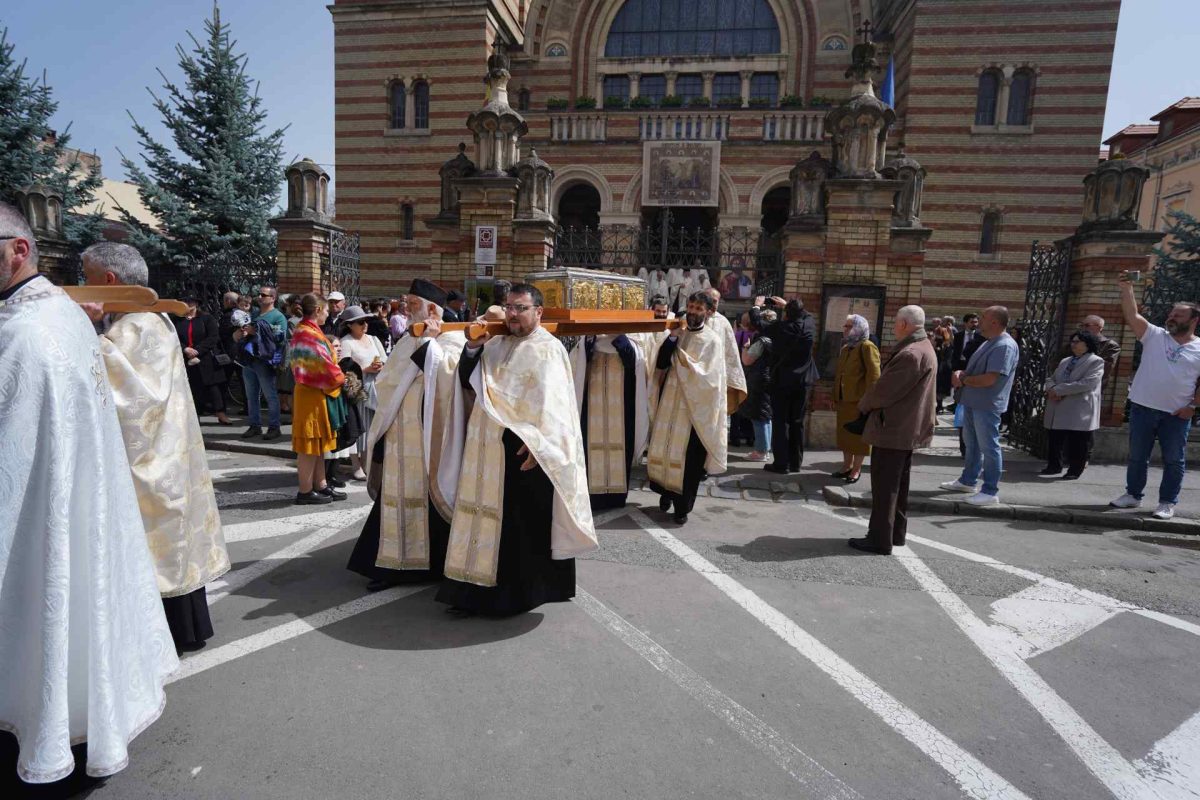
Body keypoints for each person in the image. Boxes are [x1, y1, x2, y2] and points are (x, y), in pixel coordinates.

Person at [0, 205, 179, 786]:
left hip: (126, 467)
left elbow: (143, 392)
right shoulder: (67, 319)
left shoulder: (35, 331)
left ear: (18, 250)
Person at [80, 242, 231, 651]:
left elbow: (120, 393)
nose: (82, 286)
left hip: (149, 460)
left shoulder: (133, 329)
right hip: (165, 455)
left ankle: (162, 638)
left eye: (87, 277)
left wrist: (87, 331)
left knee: (155, 550)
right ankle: (184, 631)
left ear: (109, 281)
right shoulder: (155, 319)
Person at [436, 283, 597, 616]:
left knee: (518, 527)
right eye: (509, 306)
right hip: (485, 445)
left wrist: (537, 442)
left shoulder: (548, 349)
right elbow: (469, 381)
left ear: (538, 312)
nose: (512, 313)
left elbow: (557, 408)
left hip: (524, 450)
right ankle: (470, 591)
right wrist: (472, 350)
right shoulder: (494, 343)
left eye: (520, 308)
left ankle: (512, 597)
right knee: (480, 520)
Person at [349, 279, 468, 589]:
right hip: (400, 434)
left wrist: (429, 344)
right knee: (397, 499)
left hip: (432, 438)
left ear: (432, 310)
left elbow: (451, 383)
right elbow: (387, 385)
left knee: (433, 497)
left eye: (412, 305)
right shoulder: (405, 340)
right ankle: (393, 565)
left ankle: (438, 566)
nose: (405, 309)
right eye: (405, 303)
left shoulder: (454, 341)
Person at [1109, 274, 1200, 520]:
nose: (1171, 317)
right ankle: (1132, 495)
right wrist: (1126, 288)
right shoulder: (1155, 336)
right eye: (1171, 313)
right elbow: (1133, 316)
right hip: (1143, 408)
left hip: (1176, 415)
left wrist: (1193, 406)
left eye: (1178, 315)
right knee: (1138, 456)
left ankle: (1167, 502)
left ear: (1194, 320)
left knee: (1173, 460)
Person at [849, 305, 937, 555]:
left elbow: (883, 392)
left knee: (885, 487)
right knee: (898, 486)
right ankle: (895, 533)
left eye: (896, 322)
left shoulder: (910, 353)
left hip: (894, 428)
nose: (893, 326)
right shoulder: (924, 347)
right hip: (905, 428)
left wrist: (864, 405)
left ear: (904, 324)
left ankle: (879, 539)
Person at [647, 291, 729, 525]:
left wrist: (682, 364)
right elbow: (661, 364)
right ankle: (665, 493)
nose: (692, 312)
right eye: (690, 307)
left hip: (694, 411)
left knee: (688, 461)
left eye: (698, 308)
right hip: (670, 403)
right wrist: (672, 339)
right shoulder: (677, 335)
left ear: (708, 312)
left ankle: (682, 507)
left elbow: (710, 380)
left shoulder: (712, 340)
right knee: (665, 450)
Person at [939, 306, 1020, 506]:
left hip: (987, 404)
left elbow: (990, 379)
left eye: (983, 317)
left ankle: (990, 491)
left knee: (989, 447)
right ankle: (968, 481)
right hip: (972, 401)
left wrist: (964, 379)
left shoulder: (1004, 346)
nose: (979, 321)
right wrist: (960, 374)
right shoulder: (989, 342)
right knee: (972, 443)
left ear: (994, 322)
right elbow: (973, 371)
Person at [573, 331, 649, 510]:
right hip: (593, 406)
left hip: (622, 408)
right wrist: (592, 338)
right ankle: (592, 497)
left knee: (621, 450)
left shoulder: (633, 339)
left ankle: (616, 498)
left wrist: (618, 337)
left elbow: (633, 365)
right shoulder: (587, 339)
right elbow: (578, 365)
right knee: (590, 449)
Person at [289, 293, 348, 505]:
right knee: (309, 444)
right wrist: (342, 378)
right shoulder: (308, 333)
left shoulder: (309, 331)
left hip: (315, 393)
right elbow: (322, 366)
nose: (327, 314)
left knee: (319, 442)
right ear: (317, 311)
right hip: (310, 393)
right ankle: (305, 491)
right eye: (325, 310)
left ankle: (320, 485)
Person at [763, 297, 816, 474]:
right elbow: (806, 315)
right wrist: (788, 306)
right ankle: (796, 463)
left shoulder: (780, 328)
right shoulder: (809, 325)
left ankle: (781, 463)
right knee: (797, 422)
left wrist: (757, 306)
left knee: (780, 422)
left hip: (783, 381)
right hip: (804, 381)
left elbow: (759, 324)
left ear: (786, 314)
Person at [1041, 331, 1104, 480]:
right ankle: (1054, 465)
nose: (1073, 344)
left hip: (1078, 407)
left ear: (1087, 344)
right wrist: (1050, 388)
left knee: (1079, 441)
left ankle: (1075, 470)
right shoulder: (1066, 361)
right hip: (1058, 404)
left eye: (1077, 341)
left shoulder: (1096, 361)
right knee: (1056, 438)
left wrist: (1058, 390)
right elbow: (1052, 378)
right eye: (1072, 341)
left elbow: (1088, 383)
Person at [339, 304, 388, 480]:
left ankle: (367, 462)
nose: (364, 324)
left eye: (365, 321)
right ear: (350, 325)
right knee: (359, 426)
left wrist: (380, 365)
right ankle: (356, 464)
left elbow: (384, 359)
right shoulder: (346, 342)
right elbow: (344, 368)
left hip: (376, 386)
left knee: (372, 426)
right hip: (357, 388)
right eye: (360, 322)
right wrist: (366, 369)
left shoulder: (373, 339)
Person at [833, 314, 881, 484]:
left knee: (859, 438)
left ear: (858, 328)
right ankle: (846, 465)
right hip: (844, 400)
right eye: (845, 326)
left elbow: (874, 376)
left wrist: (869, 401)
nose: (844, 329)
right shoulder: (846, 348)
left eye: (848, 326)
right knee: (845, 436)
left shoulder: (867, 347)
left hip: (859, 402)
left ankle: (856, 469)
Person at [175, 296, 232, 425]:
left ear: (196, 303)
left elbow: (213, 337)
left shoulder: (207, 318)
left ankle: (220, 413)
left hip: (206, 357)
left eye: (191, 301)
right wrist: (185, 349)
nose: (188, 304)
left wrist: (197, 350)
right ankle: (194, 416)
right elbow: (173, 337)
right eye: (185, 301)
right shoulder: (177, 320)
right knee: (192, 387)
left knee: (214, 387)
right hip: (185, 357)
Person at [241, 285, 286, 441]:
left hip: (264, 361)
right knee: (251, 396)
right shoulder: (254, 314)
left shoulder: (278, 316)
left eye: (263, 295)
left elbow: (280, 337)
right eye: (259, 294)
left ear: (273, 298)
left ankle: (274, 427)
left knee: (270, 396)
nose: (259, 297)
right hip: (250, 360)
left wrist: (257, 331)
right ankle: (255, 425)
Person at [703, 287, 748, 414]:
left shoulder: (723, 323)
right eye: (708, 300)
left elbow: (731, 353)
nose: (711, 304)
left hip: (716, 377)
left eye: (715, 301)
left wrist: (731, 380)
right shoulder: (692, 318)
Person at [737, 309, 773, 462]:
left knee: (759, 416)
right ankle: (765, 449)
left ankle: (761, 451)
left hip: (759, 380)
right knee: (766, 416)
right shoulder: (773, 337)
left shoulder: (762, 341)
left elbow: (747, 360)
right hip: (767, 378)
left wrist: (745, 347)